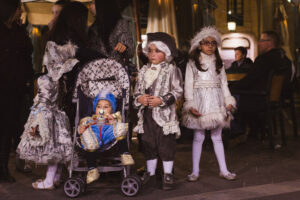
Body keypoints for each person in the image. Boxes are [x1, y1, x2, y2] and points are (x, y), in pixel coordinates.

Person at [17, 2, 89, 190]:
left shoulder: (60, 38)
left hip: (56, 95)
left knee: (57, 139)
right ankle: (53, 178)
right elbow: (55, 70)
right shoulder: (64, 41)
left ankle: (54, 178)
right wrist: (74, 61)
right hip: (54, 97)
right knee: (54, 139)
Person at [182, 26, 237, 182]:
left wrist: (228, 101)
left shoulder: (219, 63)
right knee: (198, 136)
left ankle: (224, 170)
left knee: (217, 137)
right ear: (200, 44)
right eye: (206, 42)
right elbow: (188, 85)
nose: (210, 46)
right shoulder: (192, 63)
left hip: (216, 102)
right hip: (200, 103)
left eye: (213, 43)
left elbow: (224, 84)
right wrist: (191, 104)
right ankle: (195, 171)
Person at [133, 32, 183, 190]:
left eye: (157, 51)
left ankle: (168, 174)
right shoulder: (143, 71)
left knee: (165, 144)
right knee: (148, 143)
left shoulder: (171, 70)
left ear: (166, 53)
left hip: (164, 116)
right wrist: (140, 98)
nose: (152, 54)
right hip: (147, 115)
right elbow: (136, 92)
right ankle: (151, 173)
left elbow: (178, 91)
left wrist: (162, 100)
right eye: (150, 50)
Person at [232, 31, 292, 137]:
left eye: (261, 40)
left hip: (259, 99)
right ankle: (254, 129)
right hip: (273, 98)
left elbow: (249, 81)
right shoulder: (285, 60)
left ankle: (236, 132)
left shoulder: (264, 59)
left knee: (228, 98)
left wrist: (231, 88)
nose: (259, 43)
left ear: (270, 42)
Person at [0, 0, 34, 182]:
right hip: (4, 85)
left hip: (16, 88)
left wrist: (28, 81)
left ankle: (3, 168)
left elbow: (27, 53)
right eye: (18, 8)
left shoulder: (18, 30)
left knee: (8, 129)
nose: (21, 11)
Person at [78, 91, 134, 184]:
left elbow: (118, 126)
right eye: (98, 106)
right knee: (87, 136)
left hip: (108, 136)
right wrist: (82, 129)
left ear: (112, 109)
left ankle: (125, 153)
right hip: (94, 137)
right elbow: (83, 126)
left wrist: (113, 122)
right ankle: (92, 169)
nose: (101, 109)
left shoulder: (113, 117)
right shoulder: (90, 119)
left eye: (106, 107)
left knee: (119, 127)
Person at [88, 0, 134, 65]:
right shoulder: (92, 28)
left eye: (94, 3)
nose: (90, 6)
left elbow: (130, 51)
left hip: (115, 70)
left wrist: (124, 47)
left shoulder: (120, 24)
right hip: (96, 70)